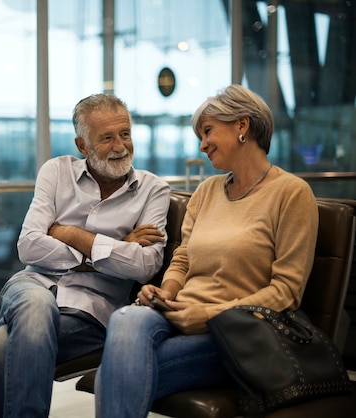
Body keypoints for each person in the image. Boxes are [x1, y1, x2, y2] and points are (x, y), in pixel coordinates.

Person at [95, 84, 319, 417]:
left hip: (238, 334)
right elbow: (183, 258)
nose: (202, 145)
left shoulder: (291, 193)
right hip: (179, 312)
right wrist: (165, 290)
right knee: (127, 318)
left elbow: (286, 292)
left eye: (208, 131)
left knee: (115, 373)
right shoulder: (207, 190)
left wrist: (212, 315)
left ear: (242, 126)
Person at [0, 93, 170, 418]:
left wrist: (71, 234)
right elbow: (28, 245)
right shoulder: (55, 172)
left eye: (125, 134)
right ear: (82, 146)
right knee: (36, 303)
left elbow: (145, 265)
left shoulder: (153, 190)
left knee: (4, 343)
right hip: (31, 284)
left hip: (91, 313)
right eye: (107, 138)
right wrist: (107, 251)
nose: (120, 146)